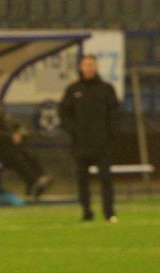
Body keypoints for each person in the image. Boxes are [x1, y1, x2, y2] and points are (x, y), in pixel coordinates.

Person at [59, 54, 119, 222]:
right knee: (82, 180)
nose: (89, 67)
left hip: (102, 143)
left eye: (92, 64)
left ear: (96, 67)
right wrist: (73, 131)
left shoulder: (107, 89)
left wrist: (110, 134)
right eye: (86, 64)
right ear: (81, 67)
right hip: (80, 144)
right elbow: (64, 112)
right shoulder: (73, 89)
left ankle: (109, 212)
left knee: (106, 179)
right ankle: (86, 212)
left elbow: (114, 114)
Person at [0, 99, 51, 198]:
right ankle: (33, 181)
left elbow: (20, 129)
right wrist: (10, 138)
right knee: (18, 158)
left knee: (29, 155)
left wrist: (19, 135)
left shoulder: (5, 119)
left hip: (11, 149)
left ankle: (40, 177)